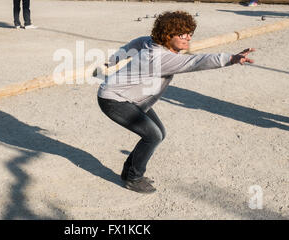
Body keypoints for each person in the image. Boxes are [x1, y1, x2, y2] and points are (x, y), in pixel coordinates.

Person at [97, 11, 255, 194]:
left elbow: (135, 43)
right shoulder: (159, 58)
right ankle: (133, 178)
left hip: (133, 99)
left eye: (190, 34)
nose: (188, 38)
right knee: (153, 136)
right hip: (114, 99)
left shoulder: (152, 42)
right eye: (182, 35)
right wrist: (230, 58)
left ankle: (129, 172)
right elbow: (195, 62)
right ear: (167, 35)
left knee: (159, 133)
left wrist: (113, 61)